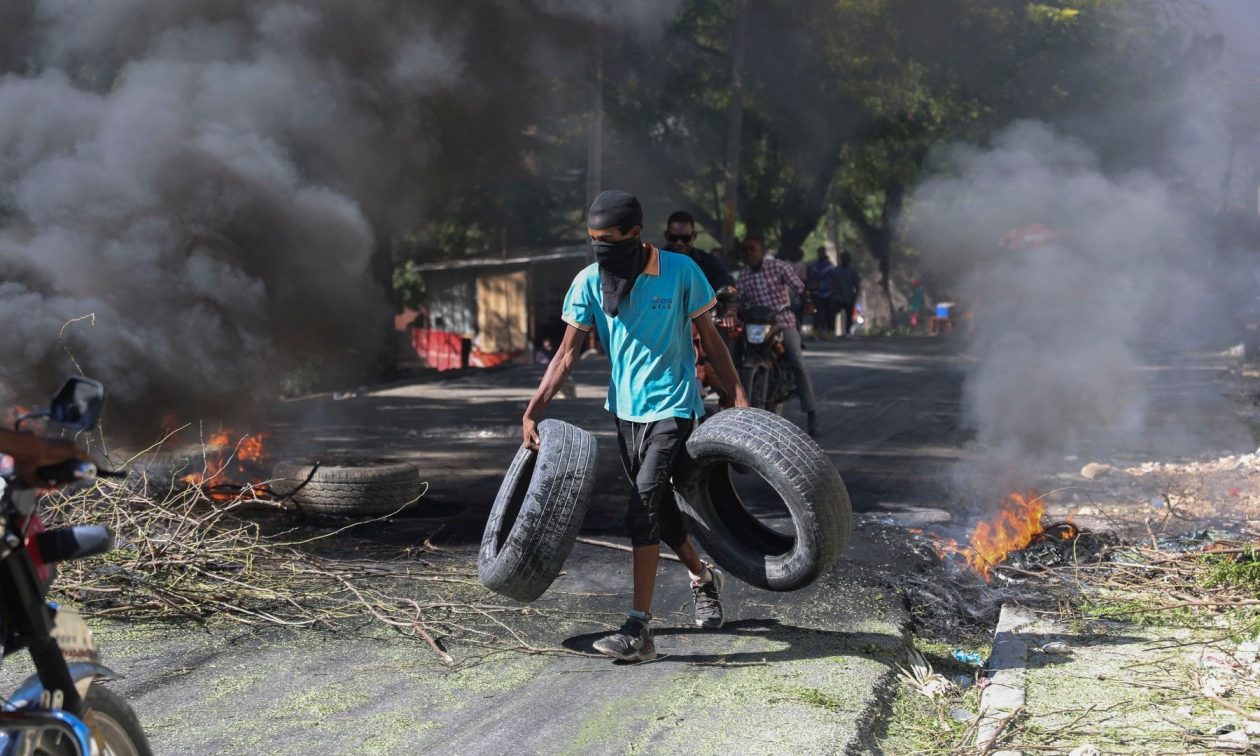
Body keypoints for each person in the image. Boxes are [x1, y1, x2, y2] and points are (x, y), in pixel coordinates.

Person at [522, 190, 749, 663]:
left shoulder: (681, 271)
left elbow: (711, 341)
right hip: (625, 412)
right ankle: (703, 577)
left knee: (641, 506)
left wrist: (738, 396)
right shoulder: (589, 281)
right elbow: (565, 355)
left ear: (635, 233)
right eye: (593, 239)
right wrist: (533, 409)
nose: (600, 247)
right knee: (657, 510)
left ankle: (638, 630)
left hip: (674, 406)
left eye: (608, 239)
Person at [734, 236, 819, 436]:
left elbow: (799, 287)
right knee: (736, 358)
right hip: (756, 326)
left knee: (797, 362)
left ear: (762, 251)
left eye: (752, 249)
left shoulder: (779, 267)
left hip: (782, 322)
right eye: (745, 250)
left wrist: (807, 301)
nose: (749, 253)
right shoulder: (743, 276)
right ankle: (738, 412)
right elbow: (739, 299)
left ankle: (811, 414)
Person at [806, 246, 838, 339]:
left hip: (828, 293)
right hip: (817, 293)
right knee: (817, 313)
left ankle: (830, 332)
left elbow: (834, 279)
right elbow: (809, 278)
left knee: (829, 313)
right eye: (819, 253)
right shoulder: (813, 265)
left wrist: (833, 292)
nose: (820, 254)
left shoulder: (829, 266)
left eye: (821, 252)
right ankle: (815, 331)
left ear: (824, 253)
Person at [834, 250, 861, 336]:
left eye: (846, 258)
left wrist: (855, 295)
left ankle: (848, 332)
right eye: (843, 258)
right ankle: (831, 330)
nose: (844, 260)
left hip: (849, 297)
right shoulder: (836, 270)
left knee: (849, 315)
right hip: (838, 297)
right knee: (833, 314)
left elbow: (857, 284)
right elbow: (832, 283)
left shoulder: (852, 271)